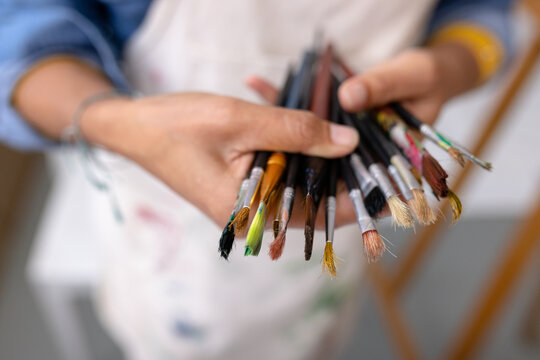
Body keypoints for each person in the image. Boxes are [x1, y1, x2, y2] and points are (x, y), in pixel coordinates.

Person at [0, 1, 513, 359]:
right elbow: (20, 45)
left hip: (337, 227)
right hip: (172, 246)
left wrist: (452, 64)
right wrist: (123, 125)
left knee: (316, 329)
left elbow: (484, 13)